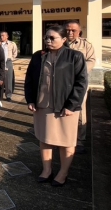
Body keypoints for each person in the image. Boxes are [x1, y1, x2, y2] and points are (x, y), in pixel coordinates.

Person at [24, 25, 88, 188]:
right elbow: (29, 79)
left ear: (64, 39)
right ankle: (47, 170)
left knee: (66, 141)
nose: (48, 41)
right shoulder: (38, 56)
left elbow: (81, 83)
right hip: (43, 105)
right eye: (46, 37)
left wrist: (72, 105)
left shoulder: (75, 56)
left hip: (65, 107)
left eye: (52, 38)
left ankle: (63, 173)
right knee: (45, 139)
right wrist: (30, 99)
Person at [66, 21, 96, 151]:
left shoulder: (86, 45)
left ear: (79, 32)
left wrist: (78, 71)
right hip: (63, 82)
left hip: (79, 81)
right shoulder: (61, 43)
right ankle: (65, 136)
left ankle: (80, 139)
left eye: (73, 30)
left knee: (79, 109)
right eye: (68, 30)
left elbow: (91, 61)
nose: (70, 32)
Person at [0, 31, 18, 101]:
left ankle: (8, 95)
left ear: (7, 36)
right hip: (0, 62)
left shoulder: (12, 44)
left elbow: (15, 53)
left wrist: (11, 59)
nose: (1, 37)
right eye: (1, 35)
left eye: (3, 35)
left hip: (8, 62)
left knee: (9, 79)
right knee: (0, 78)